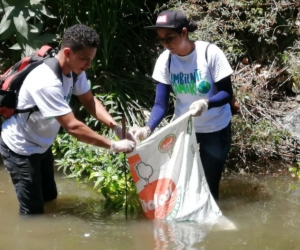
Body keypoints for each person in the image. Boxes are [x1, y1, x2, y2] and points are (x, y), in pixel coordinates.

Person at [0, 24, 136, 215]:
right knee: (32, 213)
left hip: (41, 144)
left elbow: (89, 101)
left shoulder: (75, 70)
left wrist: (115, 127)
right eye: (84, 59)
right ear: (67, 52)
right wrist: (113, 145)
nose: (88, 64)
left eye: (91, 59)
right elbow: (73, 127)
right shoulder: (46, 82)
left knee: (50, 198)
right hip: (20, 148)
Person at [132, 10, 233, 200]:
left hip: (216, 127)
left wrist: (206, 103)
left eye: (170, 38)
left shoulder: (209, 53)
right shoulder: (166, 60)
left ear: (184, 33)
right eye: (162, 40)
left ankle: (211, 224)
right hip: (186, 130)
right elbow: (161, 104)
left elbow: (227, 93)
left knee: (210, 187)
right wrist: (147, 129)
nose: (166, 44)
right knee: (183, 182)